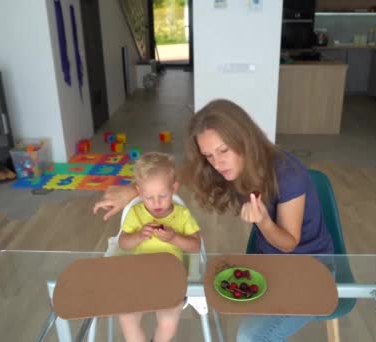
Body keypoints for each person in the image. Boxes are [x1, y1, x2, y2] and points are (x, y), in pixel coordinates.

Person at [94, 99, 334, 341]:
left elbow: (289, 243)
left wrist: (263, 222)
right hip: (269, 263)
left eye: (223, 151)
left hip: (312, 269)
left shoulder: (287, 173)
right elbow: (169, 180)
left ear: (245, 140)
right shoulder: (228, 166)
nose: (217, 163)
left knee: (249, 337)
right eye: (208, 155)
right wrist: (133, 191)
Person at [116, 152, 201, 342]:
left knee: (168, 320)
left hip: (171, 278)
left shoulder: (182, 215)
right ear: (139, 192)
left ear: (174, 188)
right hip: (139, 276)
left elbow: (196, 246)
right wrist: (138, 236)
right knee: (126, 317)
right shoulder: (136, 213)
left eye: (163, 196)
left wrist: (174, 238)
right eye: (148, 197)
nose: (156, 203)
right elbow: (123, 243)